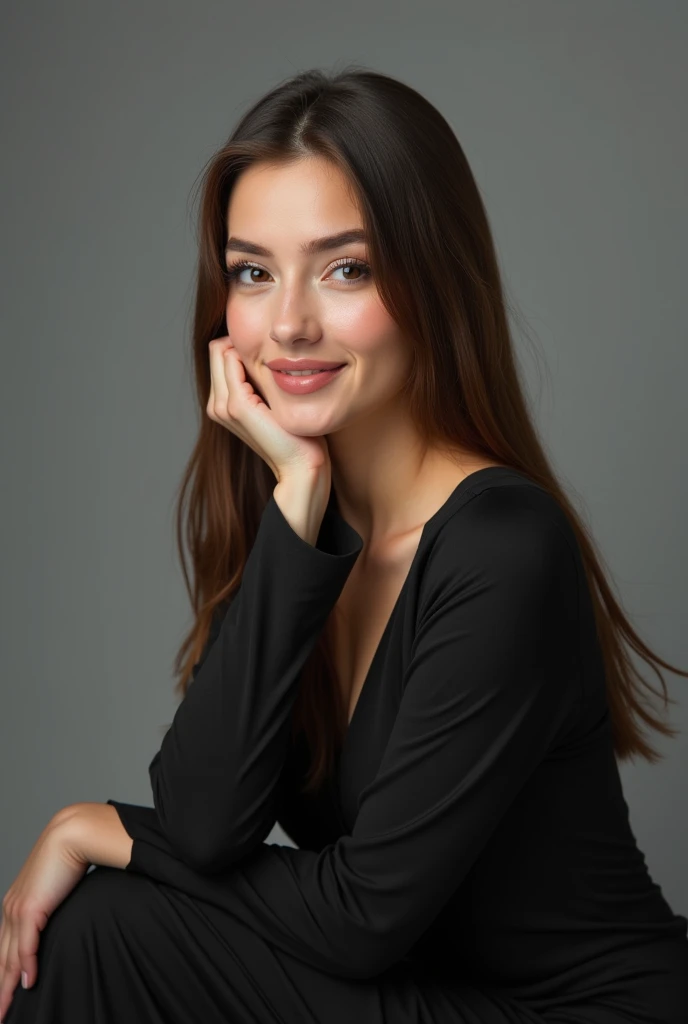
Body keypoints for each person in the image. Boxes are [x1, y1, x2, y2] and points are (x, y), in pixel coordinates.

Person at [2, 65, 687, 1024]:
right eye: (252, 272)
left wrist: (102, 829)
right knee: (103, 922)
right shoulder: (308, 533)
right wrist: (298, 504)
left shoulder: (504, 548)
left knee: (107, 923)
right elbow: (205, 823)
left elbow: (361, 915)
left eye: (344, 268)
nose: (288, 323)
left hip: (578, 1013)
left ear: (431, 282)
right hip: (428, 995)